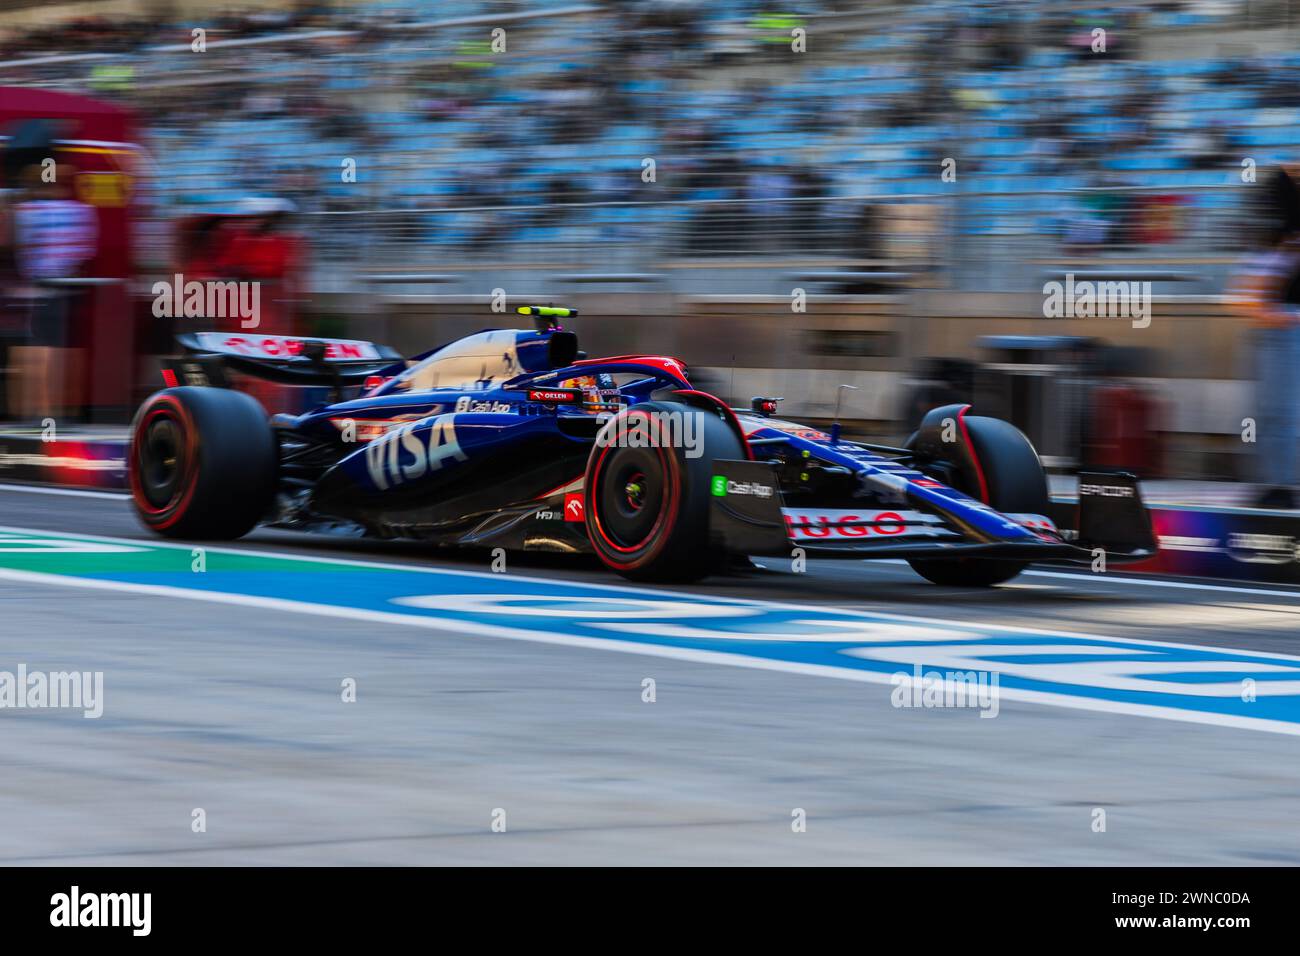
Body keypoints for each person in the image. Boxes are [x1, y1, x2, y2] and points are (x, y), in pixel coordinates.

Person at [1228, 164, 1300, 508]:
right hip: (1277, 329)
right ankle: (1274, 484)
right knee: (1273, 413)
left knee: (1278, 413)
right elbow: (1248, 296)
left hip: (1284, 328)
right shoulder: (1278, 241)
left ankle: (1278, 485)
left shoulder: (1285, 240)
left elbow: (1251, 295)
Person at [7, 163, 97, 422]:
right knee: (66, 348)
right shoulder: (81, 212)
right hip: (69, 289)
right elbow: (86, 251)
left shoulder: (28, 211)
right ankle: (62, 411)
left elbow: (20, 246)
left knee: (40, 351)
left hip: (40, 287)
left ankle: (39, 413)